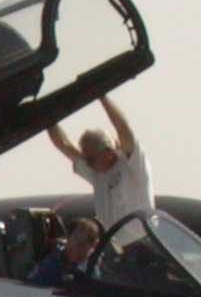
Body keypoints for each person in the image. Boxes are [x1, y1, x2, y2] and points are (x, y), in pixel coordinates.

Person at [47, 96, 152, 229]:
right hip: (114, 245)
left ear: (107, 152)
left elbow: (123, 128)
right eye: (86, 160)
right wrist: (48, 119)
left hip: (141, 241)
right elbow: (63, 144)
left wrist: (102, 96)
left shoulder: (132, 164)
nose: (88, 165)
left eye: (91, 159)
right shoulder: (96, 173)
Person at [28, 216, 102, 288]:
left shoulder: (94, 265)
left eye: (86, 242)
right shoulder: (49, 267)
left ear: (94, 245)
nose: (79, 245)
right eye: (77, 238)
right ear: (67, 236)